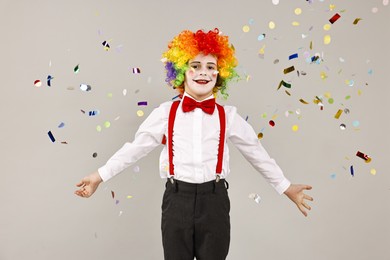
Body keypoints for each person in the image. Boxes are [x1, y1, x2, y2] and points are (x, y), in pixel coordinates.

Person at [75, 28, 313, 260]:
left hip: (215, 201)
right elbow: (134, 149)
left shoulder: (228, 116)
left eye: (211, 67)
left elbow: (256, 153)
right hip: (176, 200)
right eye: (195, 66)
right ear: (181, 72)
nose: (203, 73)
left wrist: (285, 186)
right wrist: (99, 175)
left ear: (220, 74)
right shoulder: (165, 113)